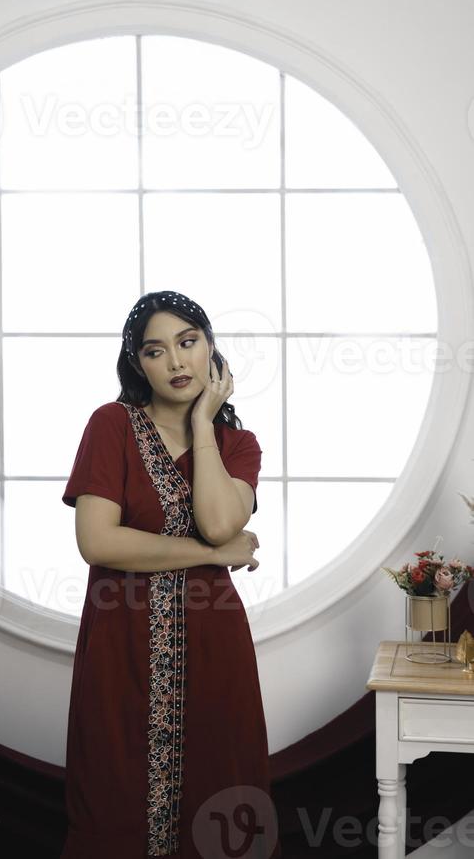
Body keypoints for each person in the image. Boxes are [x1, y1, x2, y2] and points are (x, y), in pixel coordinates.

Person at [60, 290, 282, 859]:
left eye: (189, 344)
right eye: (156, 351)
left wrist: (204, 421)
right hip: (121, 647)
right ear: (138, 364)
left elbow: (216, 520)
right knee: (113, 793)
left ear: (212, 350)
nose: (178, 363)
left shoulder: (238, 445)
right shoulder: (111, 426)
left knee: (220, 793)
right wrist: (213, 556)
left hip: (214, 649)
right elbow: (98, 541)